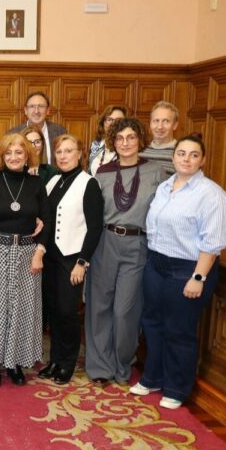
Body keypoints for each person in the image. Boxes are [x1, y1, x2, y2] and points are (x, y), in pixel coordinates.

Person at [130, 134, 226, 409]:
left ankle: (176, 387)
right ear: (173, 156)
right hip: (157, 263)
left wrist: (198, 277)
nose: (186, 159)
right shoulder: (164, 187)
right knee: (151, 323)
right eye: (182, 153)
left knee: (179, 329)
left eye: (193, 154)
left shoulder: (212, 195)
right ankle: (152, 377)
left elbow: (214, 242)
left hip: (188, 269)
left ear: (203, 160)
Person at [85, 118, 163, 386]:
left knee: (124, 311)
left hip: (138, 245)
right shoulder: (103, 173)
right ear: (113, 142)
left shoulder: (156, 172)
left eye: (131, 137)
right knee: (99, 307)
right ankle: (99, 367)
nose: (126, 143)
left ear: (140, 139)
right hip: (104, 242)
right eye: (120, 138)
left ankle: (122, 363)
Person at [0, 133, 49, 388]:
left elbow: (47, 222)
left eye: (19, 153)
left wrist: (39, 253)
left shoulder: (36, 185)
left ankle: (14, 363)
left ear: (27, 156)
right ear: (3, 157)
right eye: (9, 153)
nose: (14, 157)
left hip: (27, 254)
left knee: (22, 309)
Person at [39, 135, 103, 384]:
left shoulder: (89, 184)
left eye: (69, 151)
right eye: (59, 152)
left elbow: (94, 227)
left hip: (72, 259)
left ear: (80, 153)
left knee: (68, 312)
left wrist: (82, 262)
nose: (63, 156)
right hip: (51, 259)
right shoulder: (53, 180)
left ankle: (67, 363)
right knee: (54, 311)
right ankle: (54, 360)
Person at [8, 91, 67, 165]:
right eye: (32, 106)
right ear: (26, 110)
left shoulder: (60, 131)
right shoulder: (13, 133)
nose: (36, 111)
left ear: (48, 110)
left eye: (41, 106)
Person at [89, 105, 127, 175]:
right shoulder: (95, 144)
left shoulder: (129, 148)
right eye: (109, 119)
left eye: (118, 120)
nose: (113, 123)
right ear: (103, 123)